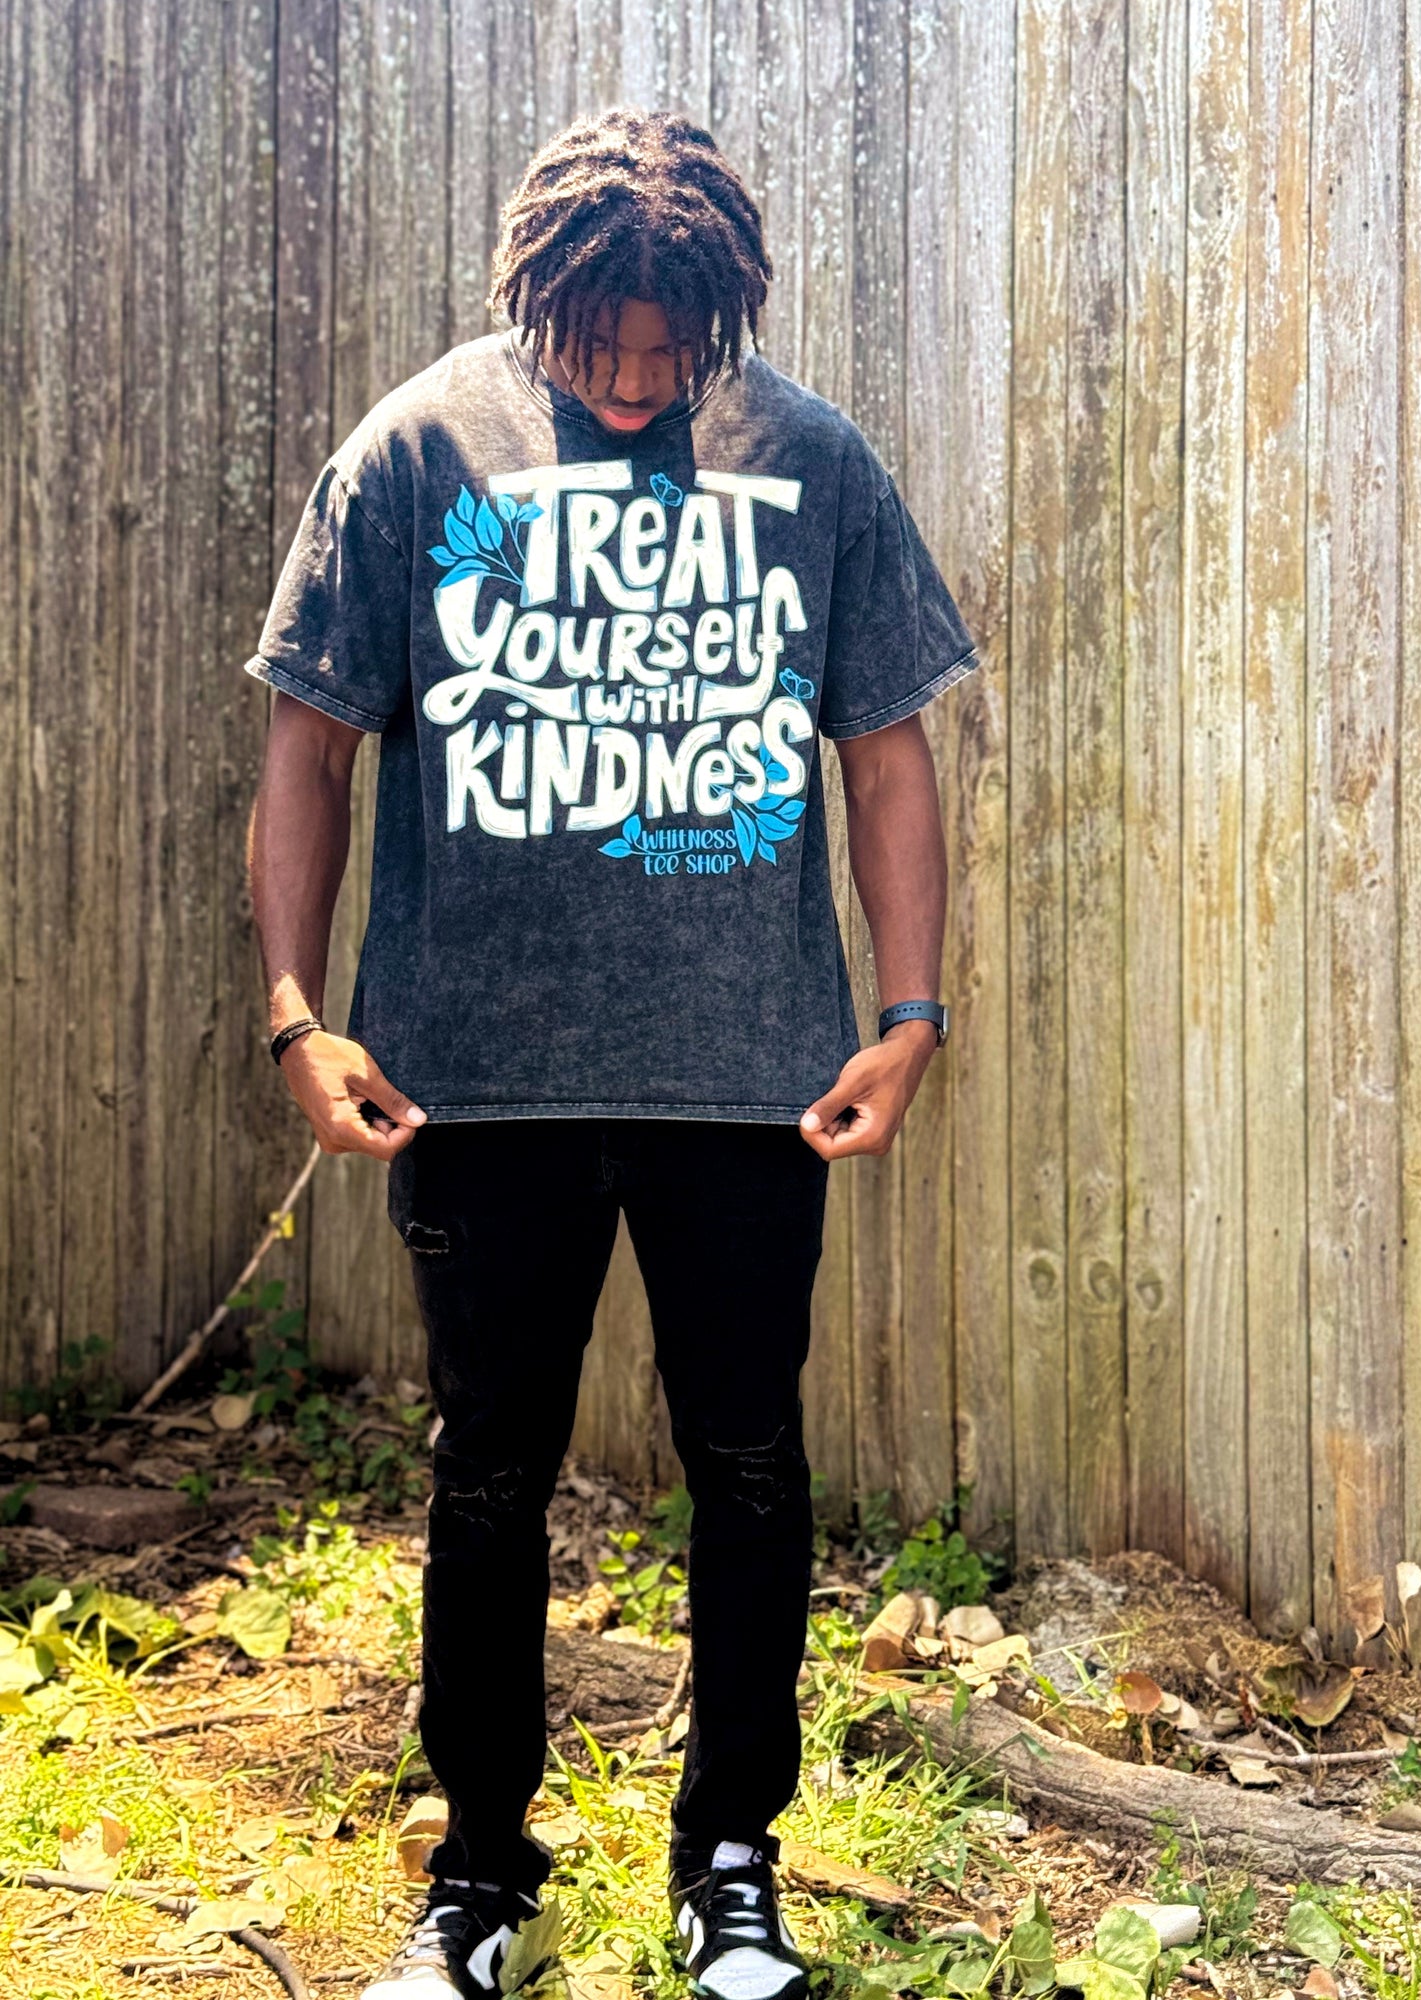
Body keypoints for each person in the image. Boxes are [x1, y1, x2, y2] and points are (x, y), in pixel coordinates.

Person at [244, 106, 978, 2000]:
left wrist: (909, 1017)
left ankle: (732, 1865)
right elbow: (307, 753)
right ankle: (479, 1872)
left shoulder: (811, 460)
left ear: (723, 315)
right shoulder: (415, 451)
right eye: (605, 347)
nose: (642, 381)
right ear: (539, 300)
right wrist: (298, 1015)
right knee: (487, 1469)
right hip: (474, 1088)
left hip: (747, 1085)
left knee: (749, 1466)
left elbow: (885, 754)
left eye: (677, 350)